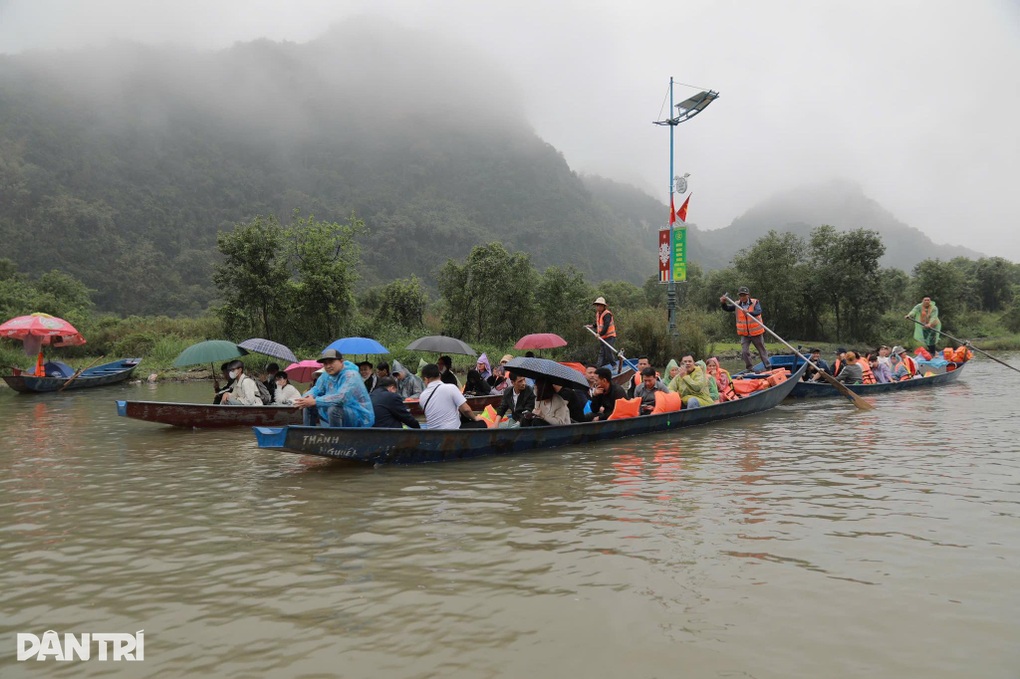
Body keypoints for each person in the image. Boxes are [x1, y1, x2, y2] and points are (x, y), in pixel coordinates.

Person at [293, 349, 375, 428]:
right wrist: (308, 397)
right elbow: (317, 389)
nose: (328, 366)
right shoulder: (326, 375)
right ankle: (308, 436)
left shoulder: (351, 375)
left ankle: (336, 438)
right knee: (308, 405)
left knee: (334, 409)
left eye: (331, 362)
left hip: (359, 416)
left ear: (341, 361)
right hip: (342, 410)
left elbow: (341, 398)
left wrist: (315, 401)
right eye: (325, 364)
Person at [719, 287, 770, 371]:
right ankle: (750, 368)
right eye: (741, 295)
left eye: (744, 295)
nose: (742, 297)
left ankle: (768, 367)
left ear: (748, 295)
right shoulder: (737, 304)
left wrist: (749, 313)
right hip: (745, 334)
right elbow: (727, 308)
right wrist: (723, 303)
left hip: (756, 332)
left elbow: (758, 311)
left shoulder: (755, 302)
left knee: (762, 350)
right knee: (744, 352)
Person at [419, 363, 482, 429]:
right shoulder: (451, 388)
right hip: (453, 432)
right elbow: (466, 409)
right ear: (440, 376)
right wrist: (475, 418)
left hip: (433, 433)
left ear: (426, 379)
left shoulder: (422, 396)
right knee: (481, 423)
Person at [587, 296, 617, 368]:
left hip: (610, 336)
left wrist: (599, 334)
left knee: (608, 350)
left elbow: (606, 326)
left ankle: (614, 364)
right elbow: (598, 323)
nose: (598, 307)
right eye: (597, 305)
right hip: (602, 337)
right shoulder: (598, 314)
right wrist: (592, 326)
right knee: (602, 352)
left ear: (604, 306)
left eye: (600, 305)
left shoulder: (607, 314)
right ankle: (598, 367)